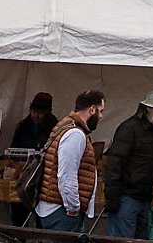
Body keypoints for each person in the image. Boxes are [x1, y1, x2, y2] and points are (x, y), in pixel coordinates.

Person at [103, 91, 153, 239]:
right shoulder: (129, 129)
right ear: (148, 108)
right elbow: (114, 165)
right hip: (126, 200)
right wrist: (112, 201)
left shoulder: (152, 132)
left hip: (142, 200)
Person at [35, 90, 106, 232]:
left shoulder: (64, 126)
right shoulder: (75, 134)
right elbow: (66, 175)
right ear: (92, 109)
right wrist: (73, 208)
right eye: (100, 111)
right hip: (61, 211)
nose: (101, 116)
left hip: (55, 208)